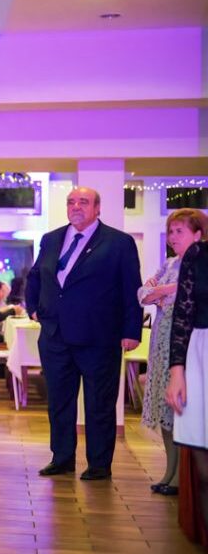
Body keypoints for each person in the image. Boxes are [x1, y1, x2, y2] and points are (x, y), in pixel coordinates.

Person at [26, 187, 142, 481]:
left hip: (99, 337)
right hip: (55, 336)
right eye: (71, 202)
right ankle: (62, 458)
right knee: (59, 401)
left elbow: (131, 288)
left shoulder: (119, 242)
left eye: (83, 202)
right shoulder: (51, 239)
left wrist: (132, 330)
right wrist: (34, 308)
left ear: (97, 208)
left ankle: (99, 464)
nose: (76, 206)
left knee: (99, 403)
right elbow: (36, 276)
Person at [142, 209, 207, 497]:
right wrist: (162, 291)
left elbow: (184, 294)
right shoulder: (168, 264)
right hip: (162, 342)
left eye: (179, 231)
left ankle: (183, 476)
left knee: (182, 409)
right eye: (170, 231)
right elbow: (143, 294)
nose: (172, 237)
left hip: (184, 342)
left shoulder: (198, 265)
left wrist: (163, 291)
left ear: (198, 234)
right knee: (165, 408)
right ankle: (170, 470)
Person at [167, 232, 208, 534]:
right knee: (204, 467)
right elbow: (183, 313)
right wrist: (177, 371)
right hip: (200, 356)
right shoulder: (197, 254)